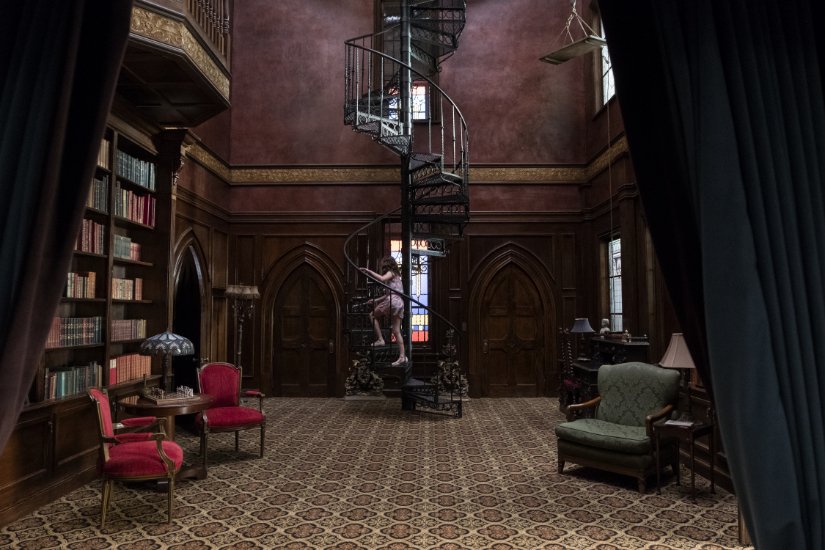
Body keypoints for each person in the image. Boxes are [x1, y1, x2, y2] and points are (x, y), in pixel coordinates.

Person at [360, 256, 407, 366]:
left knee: (372, 315)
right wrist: (375, 300)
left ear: (387, 265)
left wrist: (368, 271)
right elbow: (388, 294)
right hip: (399, 302)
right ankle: (402, 356)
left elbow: (381, 279)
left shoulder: (391, 273)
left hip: (393, 301)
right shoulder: (397, 276)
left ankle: (381, 339)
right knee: (396, 331)